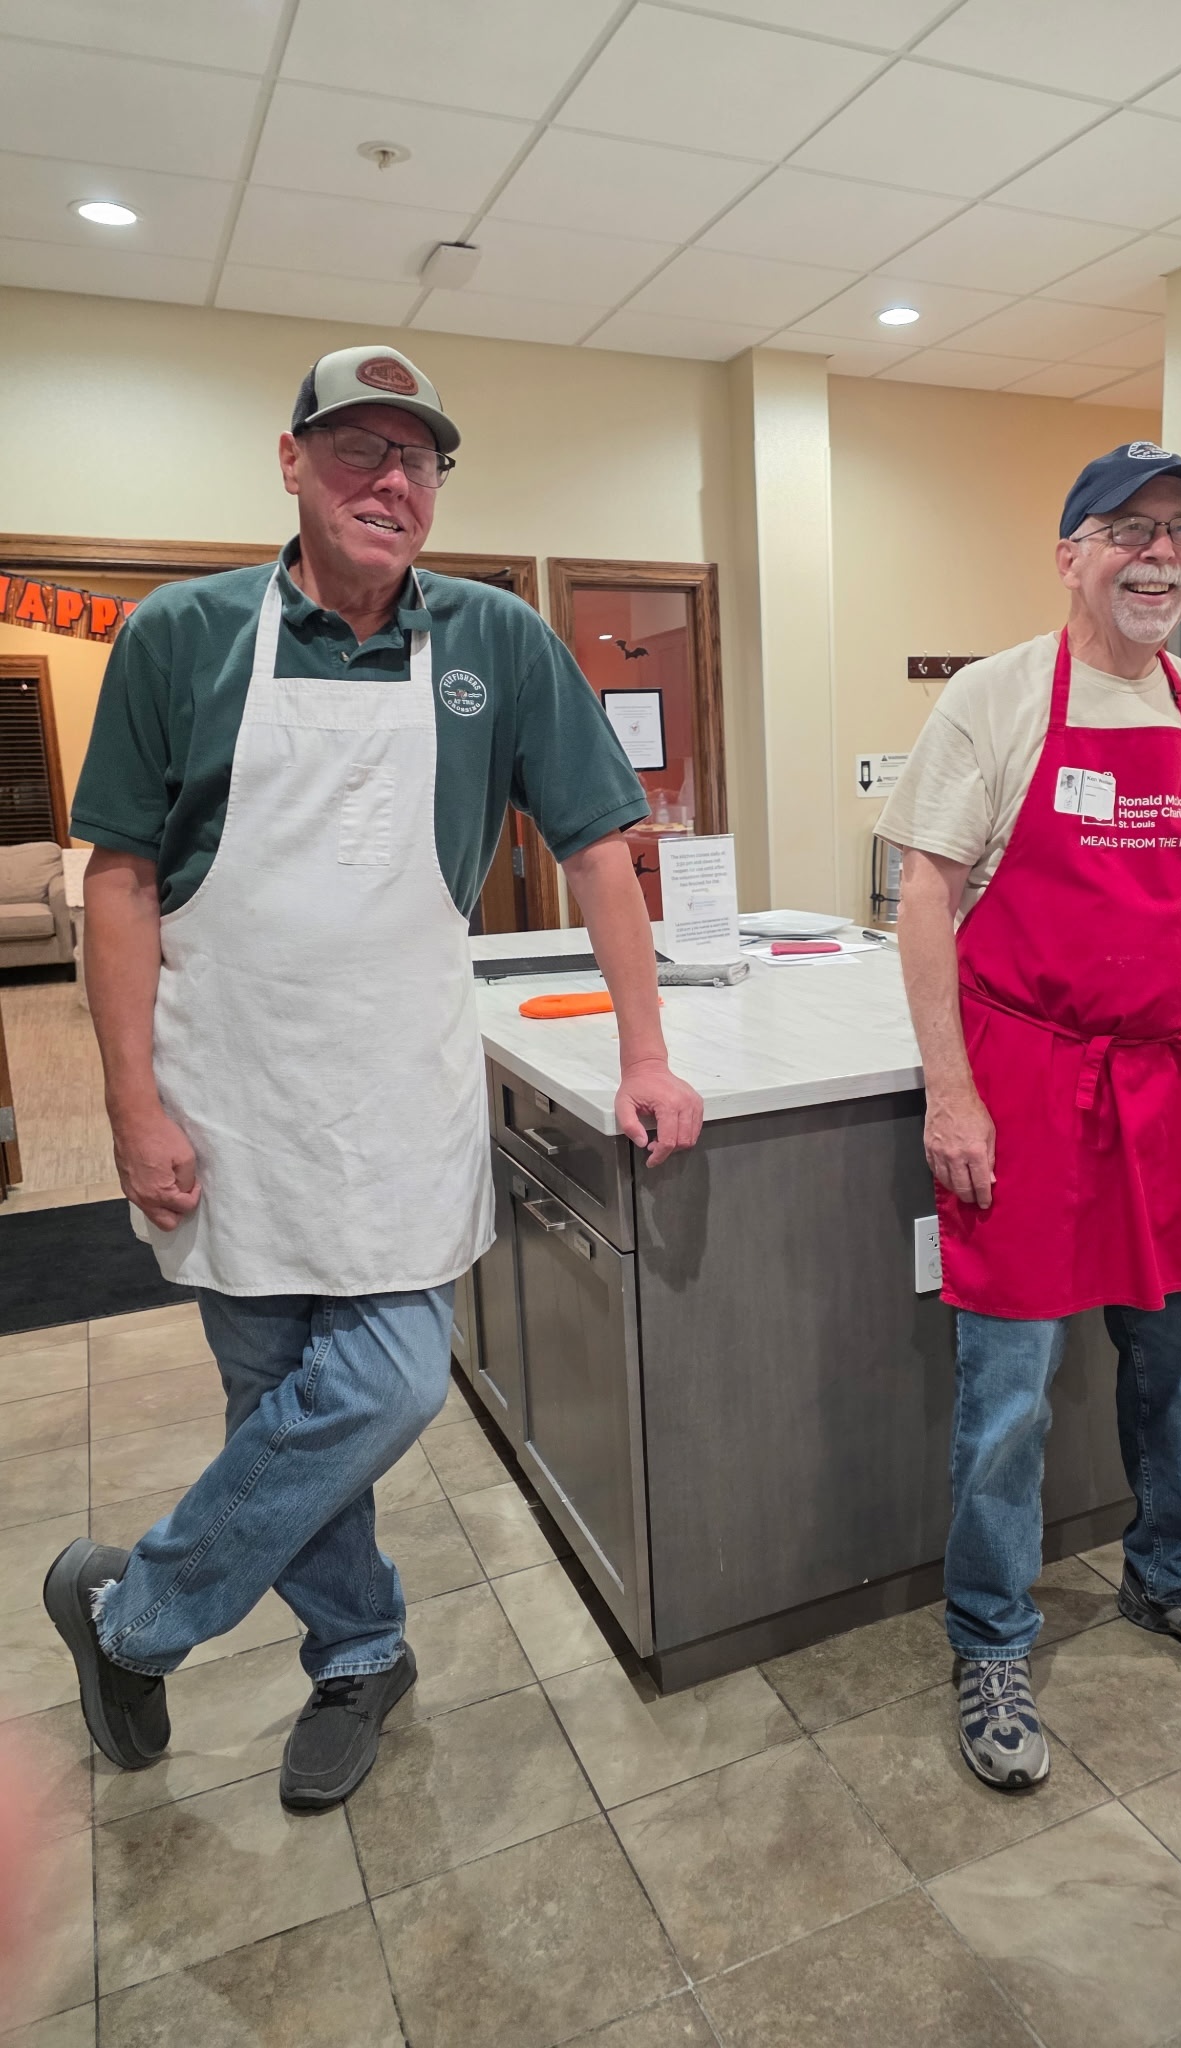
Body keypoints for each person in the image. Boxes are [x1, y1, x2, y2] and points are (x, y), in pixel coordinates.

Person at [44, 345, 702, 1811]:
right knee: (274, 1405)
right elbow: (123, 880)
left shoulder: (495, 639)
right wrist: (134, 1104)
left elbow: (600, 851)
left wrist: (646, 1051)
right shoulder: (181, 634)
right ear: (292, 462)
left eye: (418, 457)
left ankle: (134, 1613)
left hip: (398, 1091)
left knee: (391, 1380)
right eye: (358, 446)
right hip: (227, 1095)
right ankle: (360, 1653)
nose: (391, 480)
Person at [881, 441, 1181, 1794]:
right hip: (1024, 1079)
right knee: (1006, 1394)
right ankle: (990, 1636)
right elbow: (928, 898)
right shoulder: (997, 699)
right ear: (1071, 555)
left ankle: (1175, 1577)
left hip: (1163, 1080)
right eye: (1128, 528)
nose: (1159, 553)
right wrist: (951, 1089)